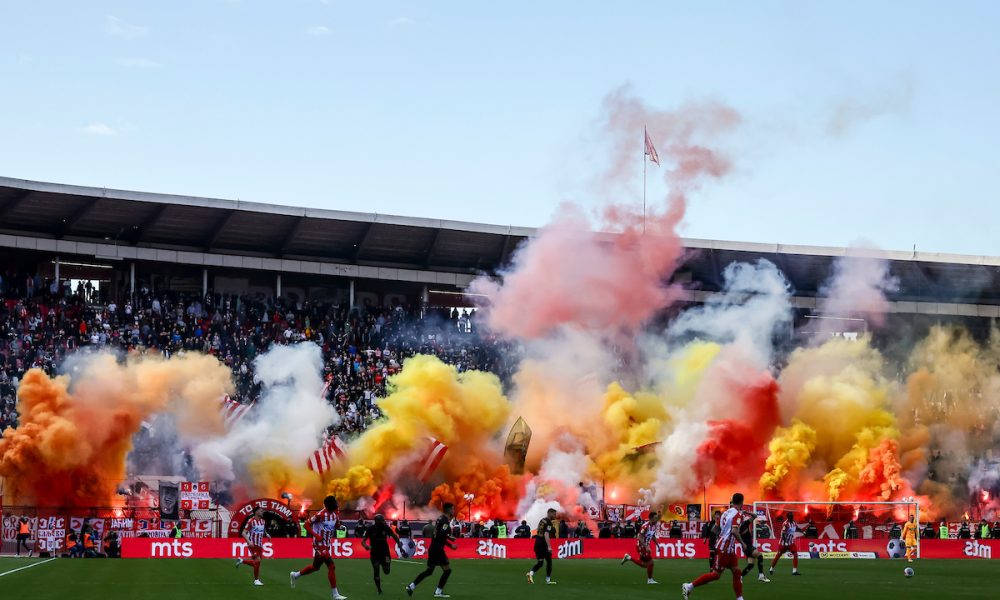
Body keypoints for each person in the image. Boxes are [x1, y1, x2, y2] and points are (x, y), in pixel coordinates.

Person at [682, 493, 748, 600]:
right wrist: (742, 543)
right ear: (742, 502)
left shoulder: (726, 512)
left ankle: (739, 598)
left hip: (728, 548)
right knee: (716, 575)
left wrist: (722, 537)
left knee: (737, 571)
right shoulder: (737, 514)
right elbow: (734, 531)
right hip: (724, 548)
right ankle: (689, 586)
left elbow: (717, 528)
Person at [290, 495, 348, 600]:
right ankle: (335, 595)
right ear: (330, 505)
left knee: (315, 567)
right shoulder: (320, 514)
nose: (336, 504)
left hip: (327, 543)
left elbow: (336, 525)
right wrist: (316, 535)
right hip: (319, 544)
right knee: (331, 566)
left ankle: (295, 575)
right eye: (335, 503)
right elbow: (306, 525)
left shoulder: (335, 514)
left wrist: (340, 526)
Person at [406, 502, 457, 598]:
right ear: (449, 510)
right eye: (453, 509)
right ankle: (438, 591)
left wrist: (449, 539)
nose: (454, 511)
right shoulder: (445, 521)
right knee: (447, 570)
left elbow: (438, 534)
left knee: (429, 571)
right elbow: (441, 534)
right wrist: (451, 542)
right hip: (438, 549)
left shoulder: (440, 518)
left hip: (433, 548)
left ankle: (411, 586)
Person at [361, 514, 401, 596]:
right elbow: (363, 541)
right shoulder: (370, 529)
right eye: (382, 521)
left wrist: (399, 543)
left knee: (387, 571)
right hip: (374, 553)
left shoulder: (386, 527)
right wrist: (366, 546)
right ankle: (379, 589)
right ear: (377, 521)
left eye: (383, 521)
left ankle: (386, 565)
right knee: (376, 568)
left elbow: (394, 535)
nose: (383, 522)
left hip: (385, 553)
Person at [620, 510, 660, 584]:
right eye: (655, 518)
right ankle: (650, 580)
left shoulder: (654, 525)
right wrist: (646, 546)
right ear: (651, 518)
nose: (656, 519)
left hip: (645, 546)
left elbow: (653, 536)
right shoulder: (645, 526)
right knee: (650, 563)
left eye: (657, 518)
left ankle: (629, 558)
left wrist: (657, 544)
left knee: (644, 565)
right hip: (641, 546)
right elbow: (639, 537)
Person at [237, 507, 270, 586]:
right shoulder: (251, 521)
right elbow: (243, 533)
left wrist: (267, 534)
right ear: (256, 512)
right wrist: (249, 541)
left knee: (257, 562)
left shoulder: (263, 521)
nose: (262, 512)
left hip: (260, 544)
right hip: (253, 544)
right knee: (257, 561)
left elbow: (263, 530)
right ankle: (256, 580)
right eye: (261, 511)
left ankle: (242, 561)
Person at [526, 508, 557, 585]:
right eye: (554, 514)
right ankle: (548, 580)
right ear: (549, 513)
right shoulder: (548, 522)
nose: (555, 516)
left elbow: (538, 530)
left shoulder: (542, 520)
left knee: (540, 562)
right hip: (543, 544)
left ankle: (530, 573)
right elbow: (546, 534)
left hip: (537, 543)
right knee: (549, 562)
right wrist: (549, 546)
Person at [738, 510, 769, 582]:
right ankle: (761, 575)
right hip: (748, 546)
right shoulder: (745, 523)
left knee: (751, 565)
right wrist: (747, 512)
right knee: (760, 556)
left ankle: (740, 577)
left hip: (745, 547)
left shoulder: (738, 526)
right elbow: (755, 516)